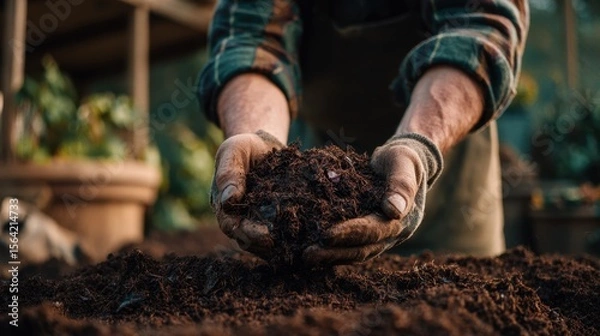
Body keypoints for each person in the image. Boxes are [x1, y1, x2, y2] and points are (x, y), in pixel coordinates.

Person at [198, 0, 529, 265]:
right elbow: (248, 39)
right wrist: (261, 140)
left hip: (451, 187)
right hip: (320, 193)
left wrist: (417, 147)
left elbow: (480, 30)